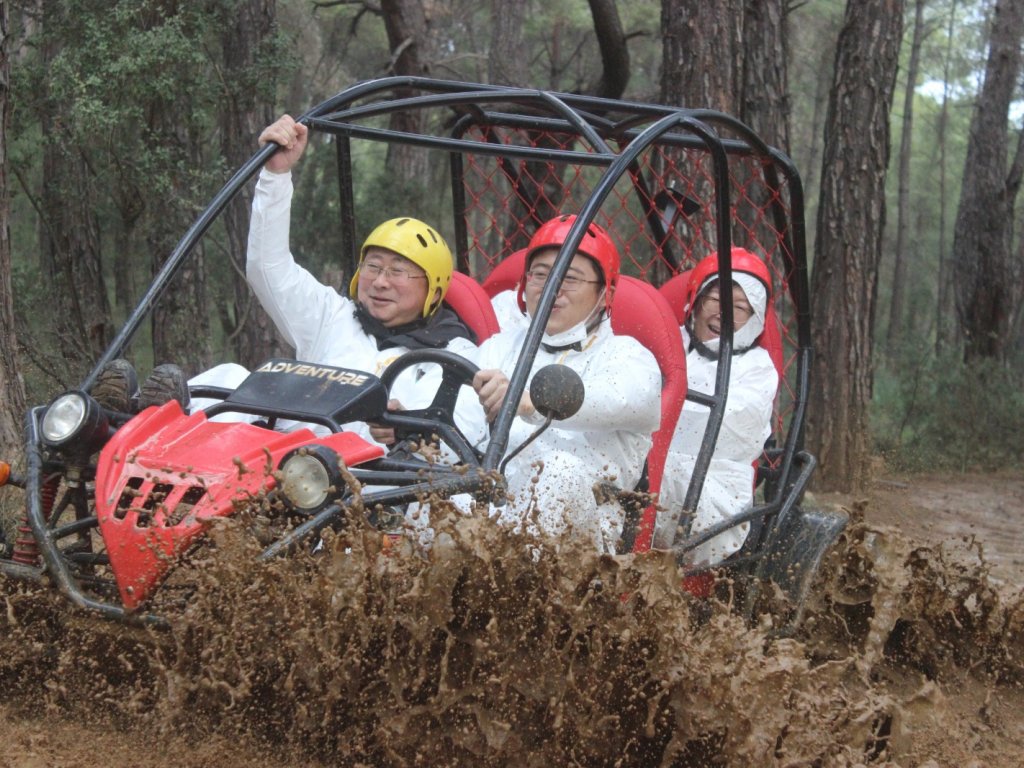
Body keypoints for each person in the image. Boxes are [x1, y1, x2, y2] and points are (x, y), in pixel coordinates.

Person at [182, 114, 485, 449]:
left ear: (434, 290)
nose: (380, 282)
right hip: (282, 470)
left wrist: (408, 429)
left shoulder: (454, 354)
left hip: (376, 487)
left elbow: (466, 426)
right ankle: (152, 431)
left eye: (398, 271)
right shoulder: (332, 315)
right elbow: (267, 267)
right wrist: (276, 174)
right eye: (373, 266)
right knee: (229, 376)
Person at [468, 214, 662, 554]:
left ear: (604, 293)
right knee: (439, 486)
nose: (551, 287)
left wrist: (527, 402)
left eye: (569, 278)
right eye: (540, 275)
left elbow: (625, 399)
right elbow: (460, 425)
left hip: (588, 534)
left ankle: (514, 591)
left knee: (559, 470)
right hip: (495, 509)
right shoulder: (500, 348)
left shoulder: (628, 357)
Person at [654, 249, 778, 566]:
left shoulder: (757, 368)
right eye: (715, 300)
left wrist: (653, 408)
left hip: (712, 490)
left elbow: (733, 428)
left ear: (754, 319)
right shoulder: (663, 342)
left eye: (740, 307)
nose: (724, 313)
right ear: (696, 300)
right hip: (647, 474)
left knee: (652, 474)